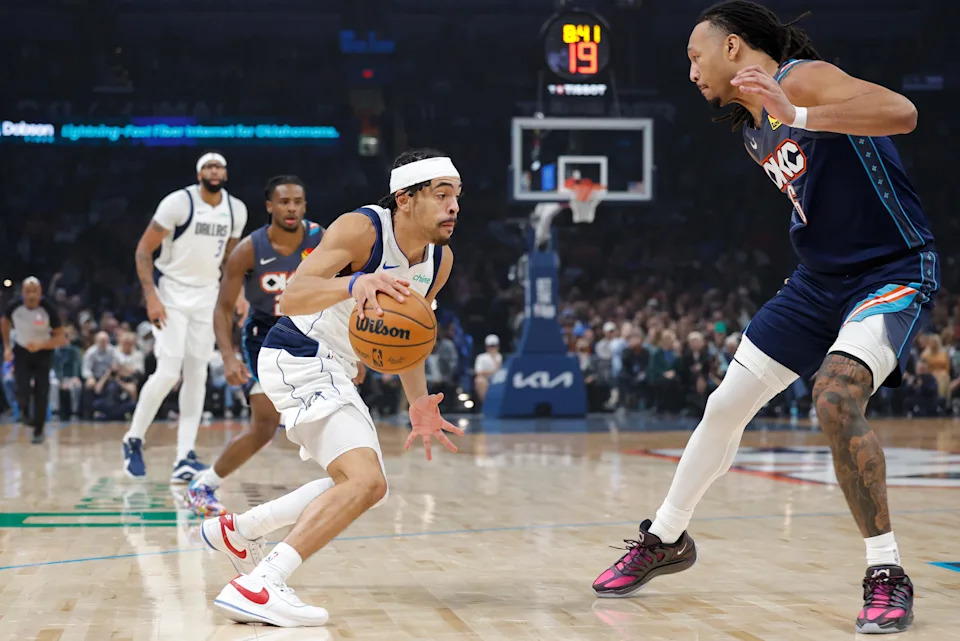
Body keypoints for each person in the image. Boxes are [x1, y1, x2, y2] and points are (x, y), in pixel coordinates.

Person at [593, 2, 934, 635]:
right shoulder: (753, 128)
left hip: (891, 271)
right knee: (724, 406)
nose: (689, 69)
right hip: (815, 284)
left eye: (696, 55)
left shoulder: (802, 80)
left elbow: (903, 114)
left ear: (731, 49)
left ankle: (886, 573)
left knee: (834, 398)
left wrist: (799, 112)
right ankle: (665, 538)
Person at [201, 149, 464, 627]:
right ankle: (260, 584)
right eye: (442, 195)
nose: (453, 207)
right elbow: (293, 296)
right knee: (365, 482)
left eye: (457, 196)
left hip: (333, 365)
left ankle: (240, 531)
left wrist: (419, 402)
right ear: (405, 199)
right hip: (297, 353)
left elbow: (411, 336)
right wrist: (355, 283)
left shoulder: (439, 261)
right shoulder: (361, 229)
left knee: (368, 488)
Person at [186, 176, 325, 516]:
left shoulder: (321, 239)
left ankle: (343, 486)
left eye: (297, 201)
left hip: (313, 332)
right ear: (270, 207)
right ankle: (204, 485)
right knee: (264, 424)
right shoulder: (248, 249)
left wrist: (354, 348)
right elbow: (221, 309)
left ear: (304, 205)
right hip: (264, 337)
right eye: (283, 202)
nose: (291, 208)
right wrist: (229, 356)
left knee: (330, 413)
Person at [122, 152, 249, 481]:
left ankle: (184, 457)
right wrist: (151, 295)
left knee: (198, 374)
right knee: (168, 372)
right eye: (208, 166)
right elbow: (142, 249)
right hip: (172, 292)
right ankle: (133, 438)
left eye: (219, 166)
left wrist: (240, 295)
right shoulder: (177, 203)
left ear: (226, 172)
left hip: (207, 295)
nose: (214, 171)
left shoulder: (236, 209)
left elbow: (230, 262)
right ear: (198, 174)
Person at [1, 277, 67, 443]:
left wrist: (41, 345)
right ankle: (24, 412)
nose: (31, 295)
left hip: (43, 353)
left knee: (41, 391)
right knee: (20, 386)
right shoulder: (14, 307)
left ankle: (39, 430)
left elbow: (61, 338)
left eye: (34, 291)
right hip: (22, 351)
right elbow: (5, 322)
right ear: (22, 293)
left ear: (40, 293)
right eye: (28, 291)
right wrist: (7, 347)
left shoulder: (48, 309)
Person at [473, 334, 502, 403]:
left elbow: (500, 370)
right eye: (490, 346)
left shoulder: (499, 356)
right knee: (479, 380)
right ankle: (486, 404)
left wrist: (494, 358)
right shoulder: (481, 357)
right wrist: (492, 372)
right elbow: (478, 372)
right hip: (485, 379)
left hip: (498, 380)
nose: (492, 348)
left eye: (494, 346)